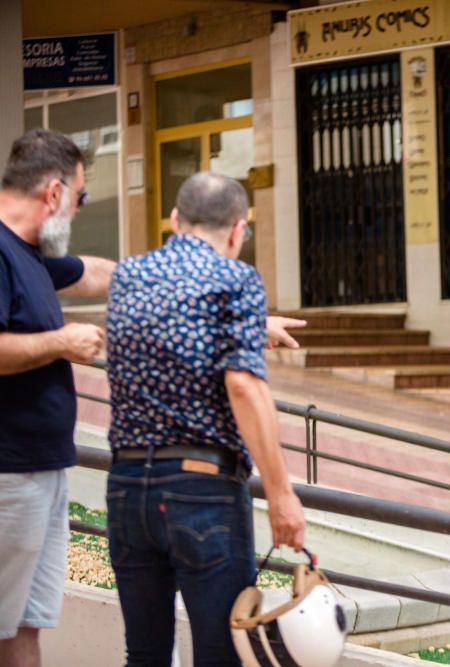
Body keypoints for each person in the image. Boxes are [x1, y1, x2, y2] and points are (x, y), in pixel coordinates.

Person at [104, 172, 306, 665]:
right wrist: (282, 495)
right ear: (238, 230)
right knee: (221, 654)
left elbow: (171, 339)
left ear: (175, 220)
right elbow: (242, 385)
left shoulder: (129, 275)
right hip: (202, 492)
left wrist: (248, 327)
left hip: (127, 486)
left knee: (145, 654)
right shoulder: (235, 278)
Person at [0, 129, 116, 667]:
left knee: (26, 625)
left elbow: (96, 272)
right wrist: (60, 343)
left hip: (43, 471)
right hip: (9, 476)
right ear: (53, 194)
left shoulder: (32, 254)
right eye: (80, 196)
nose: (78, 208)